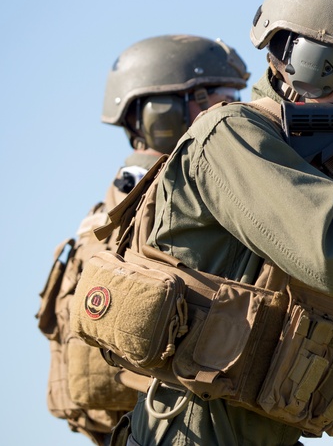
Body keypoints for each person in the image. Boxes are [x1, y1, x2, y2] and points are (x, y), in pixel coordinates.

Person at [36, 34, 247, 445]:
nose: (235, 112)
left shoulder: (105, 210)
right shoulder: (165, 200)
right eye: (220, 99)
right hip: (182, 423)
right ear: (161, 113)